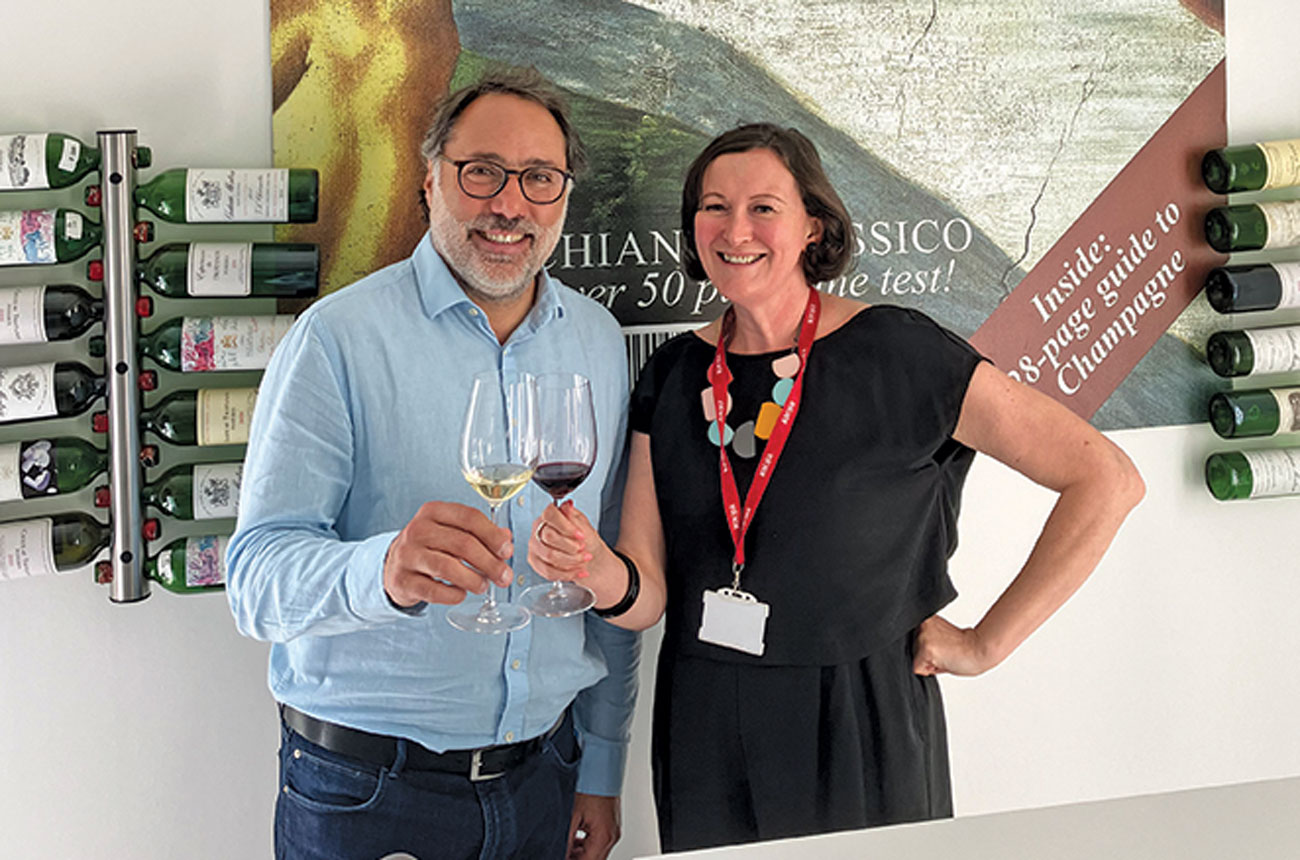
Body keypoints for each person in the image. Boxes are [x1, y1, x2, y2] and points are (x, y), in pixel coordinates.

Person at [527, 123, 1145, 852]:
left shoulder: (900, 352)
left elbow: (1105, 477)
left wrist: (986, 644)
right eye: (713, 207)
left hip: (859, 717)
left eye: (763, 207)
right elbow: (648, 589)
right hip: (704, 720)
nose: (735, 229)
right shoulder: (670, 374)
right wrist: (597, 574)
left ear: (812, 226)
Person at [226, 68, 639, 860]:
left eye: (539, 179)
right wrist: (384, 571)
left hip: (546, 776)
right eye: (480, 171)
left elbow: (601, 566)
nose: (510, 204)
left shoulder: (598, 341)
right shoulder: (336, 341)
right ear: (430, 181)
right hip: (368, 792)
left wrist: (605, 765)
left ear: (563, 196)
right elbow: (254, 585)